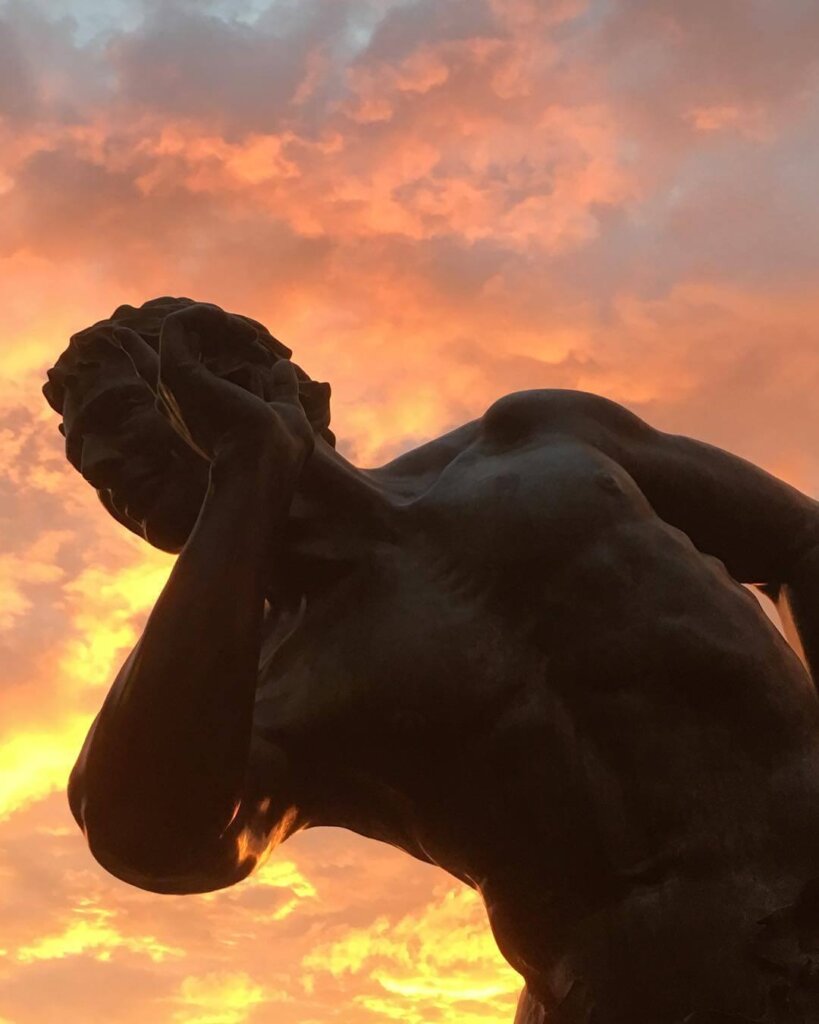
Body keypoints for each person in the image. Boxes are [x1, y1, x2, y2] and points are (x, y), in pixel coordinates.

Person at [44, 297, 819, 1024]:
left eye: (118, 415)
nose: (106, 465)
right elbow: (144, 834)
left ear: (242, 378)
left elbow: (799, 542)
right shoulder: (268, 692)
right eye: (89, 466)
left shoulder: (541, 443)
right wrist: (247, 476)